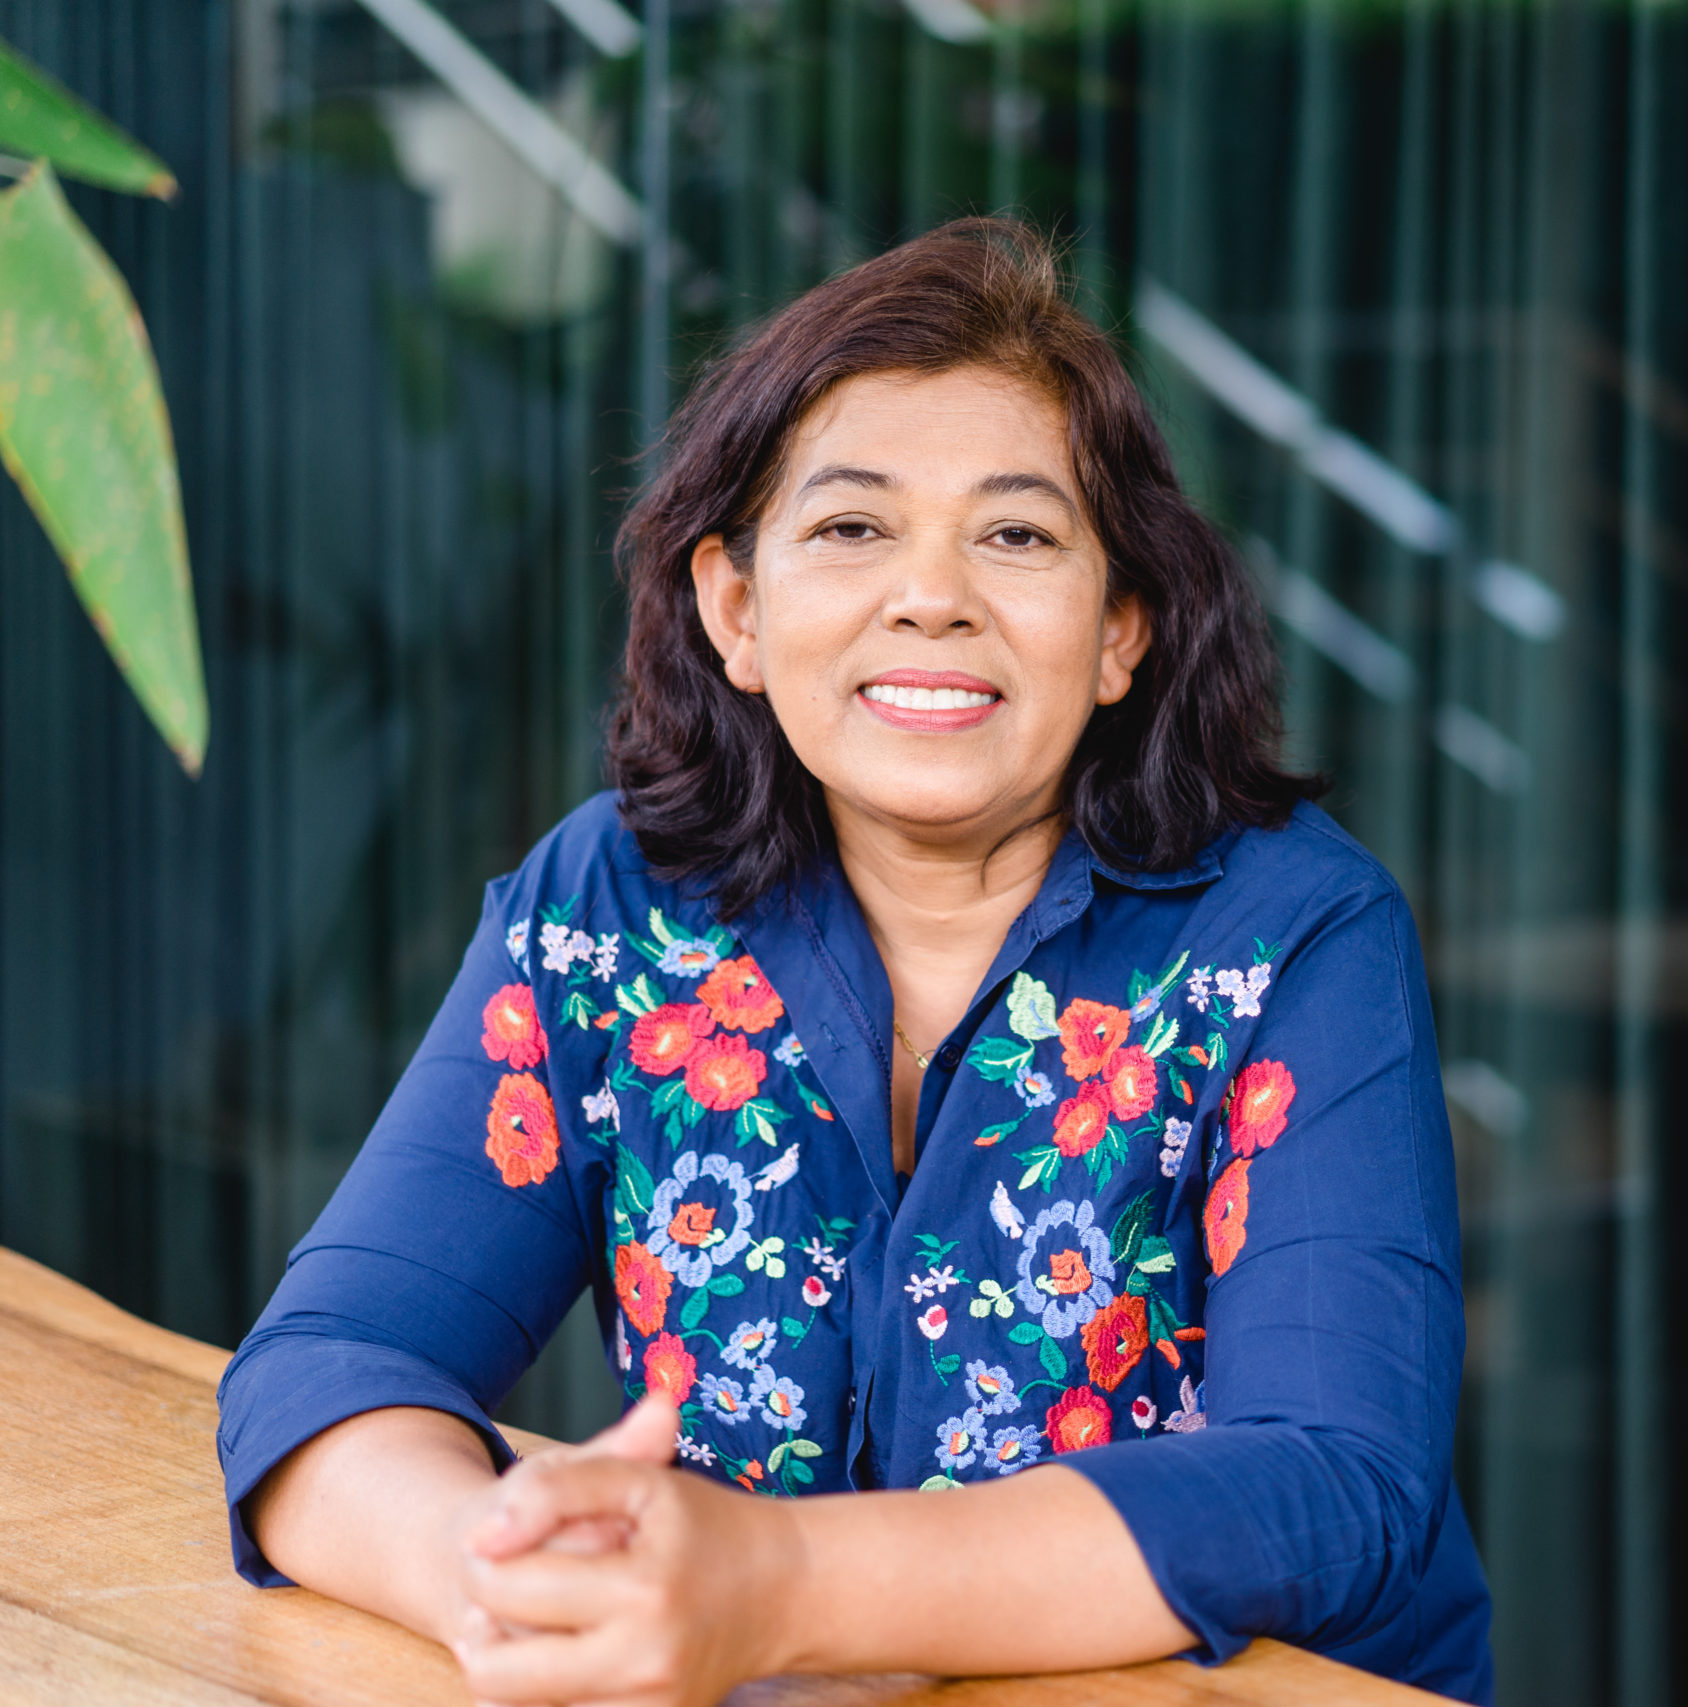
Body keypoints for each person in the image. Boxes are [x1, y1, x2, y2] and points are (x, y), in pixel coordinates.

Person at [215, 219, 1493, 1707]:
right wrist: (514, 1578)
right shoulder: (613, 907)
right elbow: (323, 1369)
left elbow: (1335, 1484)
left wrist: (779, 1592)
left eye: (1017, 534)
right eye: (851, 527)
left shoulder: (1293, 933)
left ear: (1120, 632)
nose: (932, 594)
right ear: (736, 611)